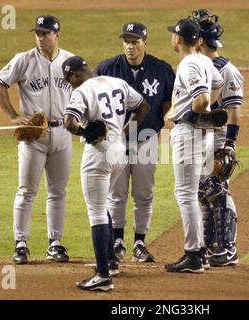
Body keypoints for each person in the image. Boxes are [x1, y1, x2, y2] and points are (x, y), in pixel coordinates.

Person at [0, 15, 74, 264]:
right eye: (37, 33)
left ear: (56, 35)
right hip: (34, 137)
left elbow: (85, 90)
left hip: (63, 134)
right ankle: (21, 243)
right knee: (27, 190)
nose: (40, 37)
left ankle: (55, 243)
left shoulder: (71, 61)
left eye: (45, 33)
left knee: (57, 192)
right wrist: (14, 115)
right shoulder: (23, 60)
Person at [63, 56, 149, 292]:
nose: (71, 85)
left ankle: (102, 276)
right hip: (120, 151)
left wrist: (83, 130)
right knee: (104, 205)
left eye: (68, 80)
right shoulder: (116, 82)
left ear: (73, 76)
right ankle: (110, 261)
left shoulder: (81, 91)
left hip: (98, 155)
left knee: (97, 212)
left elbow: (69, 122)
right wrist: (124, 130)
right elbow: (143, 107)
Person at [95, 22, 175, 263]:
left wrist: (157, 125)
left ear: (144, 43)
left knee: (143, 194)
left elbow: (168, 102)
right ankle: (117, 240)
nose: (130, 46)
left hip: (146, 140)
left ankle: (140, 242)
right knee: (116, 193)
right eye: (127, 41)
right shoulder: (107, 68)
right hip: (115, 141)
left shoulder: (161, 69)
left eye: (135, 41)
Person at [164, 18, 224, 273]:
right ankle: (199, 249)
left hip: (189, 133)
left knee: (185, 194)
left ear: (177, 39)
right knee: (193, 192)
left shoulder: (189, 64)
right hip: (203, 134)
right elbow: (218, 84)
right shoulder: (204, 61)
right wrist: (203, 112)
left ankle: (194, 255)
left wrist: (192, 113)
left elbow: (202, 98)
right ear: (198, 40)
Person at [191, 9, 243, 267]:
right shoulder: (198, 65)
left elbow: (233, 113)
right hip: (197, 138)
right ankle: (212, 246)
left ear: (200, 40)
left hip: (217, 139)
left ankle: (227, 248)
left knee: (217, 190)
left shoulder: (227, 71)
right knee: (201, 193)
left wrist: (230, 146)